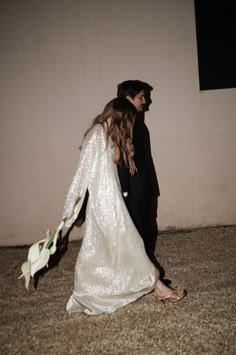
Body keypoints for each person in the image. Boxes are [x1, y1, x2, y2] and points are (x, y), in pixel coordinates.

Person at [20, 98, 185, 315]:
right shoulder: (96, 135)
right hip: (105, 207)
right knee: (124, 246)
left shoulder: (103, 134)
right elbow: (80, 178)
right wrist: (66, 220)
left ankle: (101, 293)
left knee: (110, 250)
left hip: (112, 203)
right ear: (121, 118)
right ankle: (156, 287)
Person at [117, 80, 160, 265]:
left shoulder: (137, 123)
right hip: (135, 191)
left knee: (148, 229)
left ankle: (150, 274)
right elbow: (121, 161)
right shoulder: (125, 125)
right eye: (141, 97)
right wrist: (125, 192)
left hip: (144, 187)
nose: (145, 101)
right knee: (139, 232)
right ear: (129, 98)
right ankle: (147, 277)